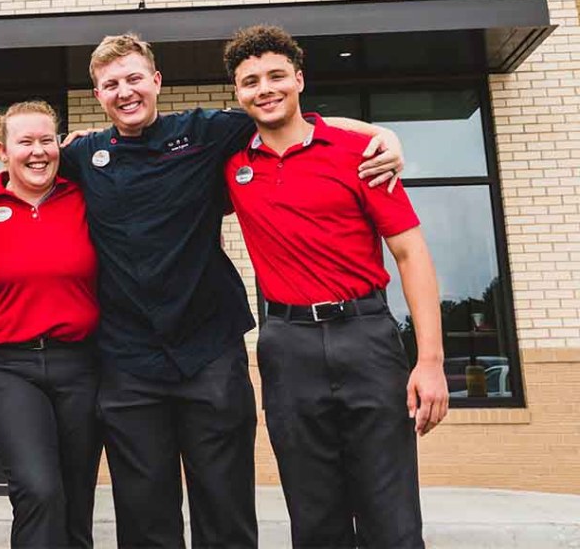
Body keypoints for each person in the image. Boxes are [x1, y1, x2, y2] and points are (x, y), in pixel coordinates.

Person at [57, 33, 403, 549]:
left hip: (210, 352)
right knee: (144, 516)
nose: (124, 92)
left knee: (225, 510)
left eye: (134, 79)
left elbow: (293, 120)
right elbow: (17, 178)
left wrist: (382, 135)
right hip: (127, 361)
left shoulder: (207, 131)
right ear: (97, 95)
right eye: (111, 85)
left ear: (156, 81)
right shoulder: (85, 155)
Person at [222, 24, 448, 549]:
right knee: (314, 515)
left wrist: (431, 360)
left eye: (277, 75)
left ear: (300, 79)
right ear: (239, 94)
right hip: (286, 344)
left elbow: (412, 254)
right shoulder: (232, 166)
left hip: (366, 337)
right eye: (250, 81)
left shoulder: (359, 153)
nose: (265, 88)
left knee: (390, 516)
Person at [0, 101, 102, 548]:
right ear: (3, 151)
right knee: (39, 489)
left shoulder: (84, 193)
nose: (38, 151)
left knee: (76, 497)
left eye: (47, 140)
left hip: (82, 365)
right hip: (7, 367)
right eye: (24, 142)